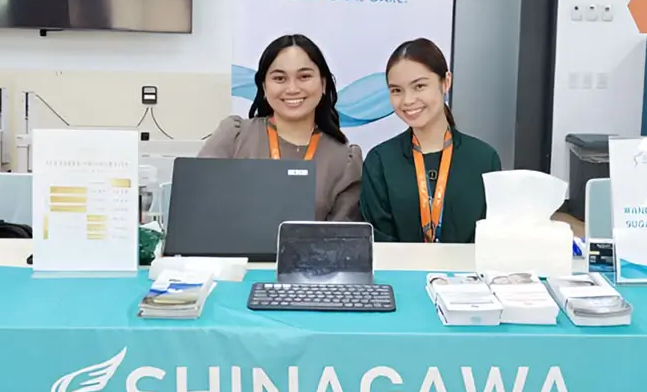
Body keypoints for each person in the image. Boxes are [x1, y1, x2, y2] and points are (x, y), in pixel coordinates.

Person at [198, 34, 362, 222]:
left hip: (310, 252)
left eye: (304, 76)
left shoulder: (344, 160)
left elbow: (341, 240)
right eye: (279, 78)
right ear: (264, 87)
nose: (292, 88)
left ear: (323, 84)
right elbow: (198, 206)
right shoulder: (234, 137)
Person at [360, 38, 501, 243]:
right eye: (397, 90)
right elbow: (378, 243)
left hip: (465, 275)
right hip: (398, 274)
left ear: (446, 82)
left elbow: (490, 237)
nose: (408, 100)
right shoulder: (380, 161)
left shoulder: (484, 159)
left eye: (419, 86)